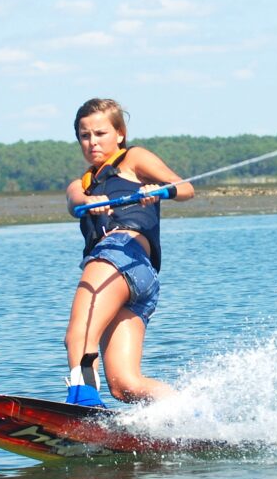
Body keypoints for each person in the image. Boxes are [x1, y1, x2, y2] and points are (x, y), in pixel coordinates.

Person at [64, 98, 194, 407]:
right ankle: (192, 414)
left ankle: (83, 403)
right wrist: (90, 201)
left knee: (80, 334)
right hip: (138, 279)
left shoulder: (133, 159)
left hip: (119, 256)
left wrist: (159, 190)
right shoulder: (80, 185)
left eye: (100, 133)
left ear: (120, 133)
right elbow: (74, 201)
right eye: (85, 135)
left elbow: (186, 189)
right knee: (125, 385)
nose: (92, 142)